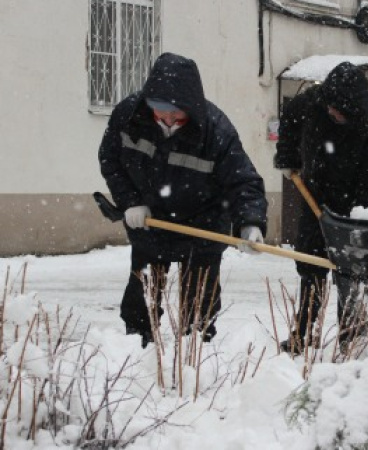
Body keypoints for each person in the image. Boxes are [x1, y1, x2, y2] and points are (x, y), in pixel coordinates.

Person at [99, 52, 268, 347]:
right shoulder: (130, 116)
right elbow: (110, 160)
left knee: (199, 311)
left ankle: (196, 363)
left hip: (202, 226)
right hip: (150, 223)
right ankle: (136, 355)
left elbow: (243, 180)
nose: (166, 119)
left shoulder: (215, 131)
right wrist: (130, 202)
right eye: (159, 111)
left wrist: (250, 222)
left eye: (175, 113)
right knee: (141, 303)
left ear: (189, 105)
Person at [274, 61, 368, 354]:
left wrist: (355, 225)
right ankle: (304, 331)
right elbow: (289, 117)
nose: (331, 112)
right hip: (315, 195)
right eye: (329, 106)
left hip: (355, 208)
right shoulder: (317, 102)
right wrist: (288, 155)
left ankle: (350, 333)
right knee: (310, 265)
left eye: (337, 111)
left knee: (349, 272)